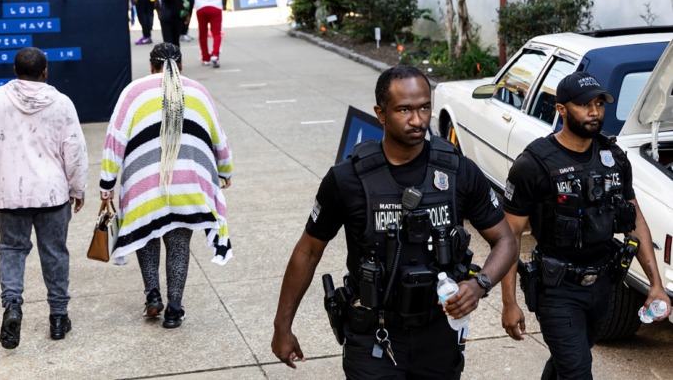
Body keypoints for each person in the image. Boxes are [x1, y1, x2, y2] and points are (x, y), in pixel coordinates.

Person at [271, 65, 517, 378]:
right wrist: (282, 325)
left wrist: (480, 283)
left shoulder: (458, 171)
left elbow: (505, 240)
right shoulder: (347, 179)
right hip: (374, 335)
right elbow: (308, 251)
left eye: (424, 107)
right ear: (381, 113)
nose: (418, 120)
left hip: (439, 333)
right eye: (404, 110)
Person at [500, 71, 671, 380]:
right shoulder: (534, 165)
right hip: (557, 290)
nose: (595, 112)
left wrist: (656, 285)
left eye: (599, 103)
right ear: (561, 109)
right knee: (578, 371)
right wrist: (509, 303)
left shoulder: (614, 158)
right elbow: (508, 237)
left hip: (603, 286)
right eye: (584, 105)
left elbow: (636, 222)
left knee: (569, 361)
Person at [99, 43, 233, 329]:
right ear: (181, 65)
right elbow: (217, 135)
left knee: (147, 239)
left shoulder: (133, 92)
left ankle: (153, 297)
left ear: (151, 66)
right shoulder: (198, 91)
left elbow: (115, 140)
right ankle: (174, 309)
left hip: (143, 185)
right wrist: (225, 169)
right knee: (179, 245)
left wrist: (107, 183)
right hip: (187, 184)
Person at [0, 47, 88, 349]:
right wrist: (77, 188)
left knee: (11, 249)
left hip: (10, 194)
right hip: (52, 194)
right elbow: (74, 151)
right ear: (45, 71)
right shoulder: (62, 103)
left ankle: (13, 306)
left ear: (14, 70)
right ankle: (58, 318)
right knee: (55, 254)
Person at [185, 0, 227, 68]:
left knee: (202, 34)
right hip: (216, 6)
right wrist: (224, 4)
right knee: (216, 33)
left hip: (201, 7)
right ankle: (215, 54)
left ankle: (205, 58)